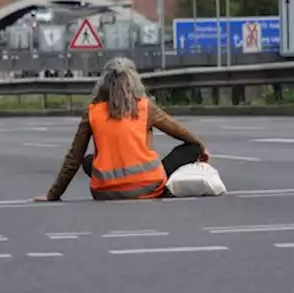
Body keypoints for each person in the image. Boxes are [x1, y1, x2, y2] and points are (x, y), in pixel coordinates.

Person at [34, 57, 211, 201]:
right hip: (149, 186)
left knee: (88, 160)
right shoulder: (144, 107)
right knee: (191, 147)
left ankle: (117, 184)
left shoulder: (92, 112)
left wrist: (53, 194)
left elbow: (74, 158)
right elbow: (180, 132)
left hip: (105, 192)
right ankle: (156, 187)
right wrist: (200, 148)